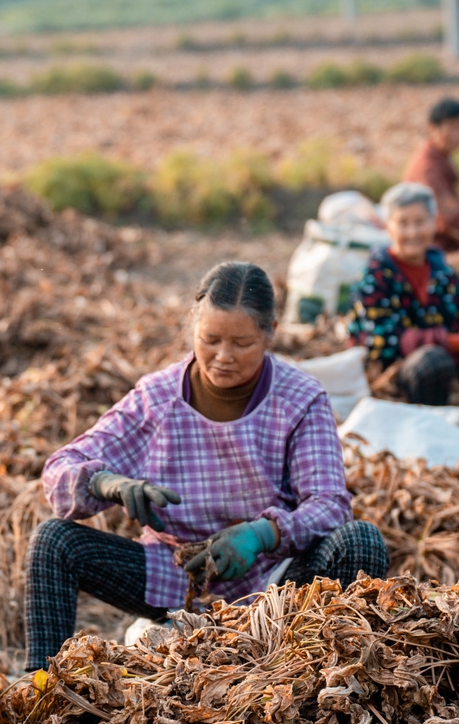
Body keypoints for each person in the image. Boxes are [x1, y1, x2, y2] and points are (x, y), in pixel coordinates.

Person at [23, 262, 388, 672]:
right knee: (54, 541)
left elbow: (331, 504)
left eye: (242, 343)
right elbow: (60, 468)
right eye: (209, 339)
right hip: (173, 573)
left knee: (361, 543)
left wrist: (263, 534)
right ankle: (41, 685)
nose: (223, 357)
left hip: (272, 579)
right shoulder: (158, 397)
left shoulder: (299, 398)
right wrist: (106, 483)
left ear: (271, 333)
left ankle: (309, 676)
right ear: (193, 326)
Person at [346, 182, 459, 406]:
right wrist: (452, 342)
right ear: (388, 228)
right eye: (403, 223)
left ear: (434, 223)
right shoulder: (375, 277)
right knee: (432, 362)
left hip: (451, 363)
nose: (412, 232)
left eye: (420, 222)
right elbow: (382, 342)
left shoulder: (443, 272)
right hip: (399, 371)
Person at [401, 97, 459, 251]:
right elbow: (451, 216)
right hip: (428, 244)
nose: (457, 135)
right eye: (451, 128)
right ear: (432, 128)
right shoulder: (429, 167)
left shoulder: (440, 158)